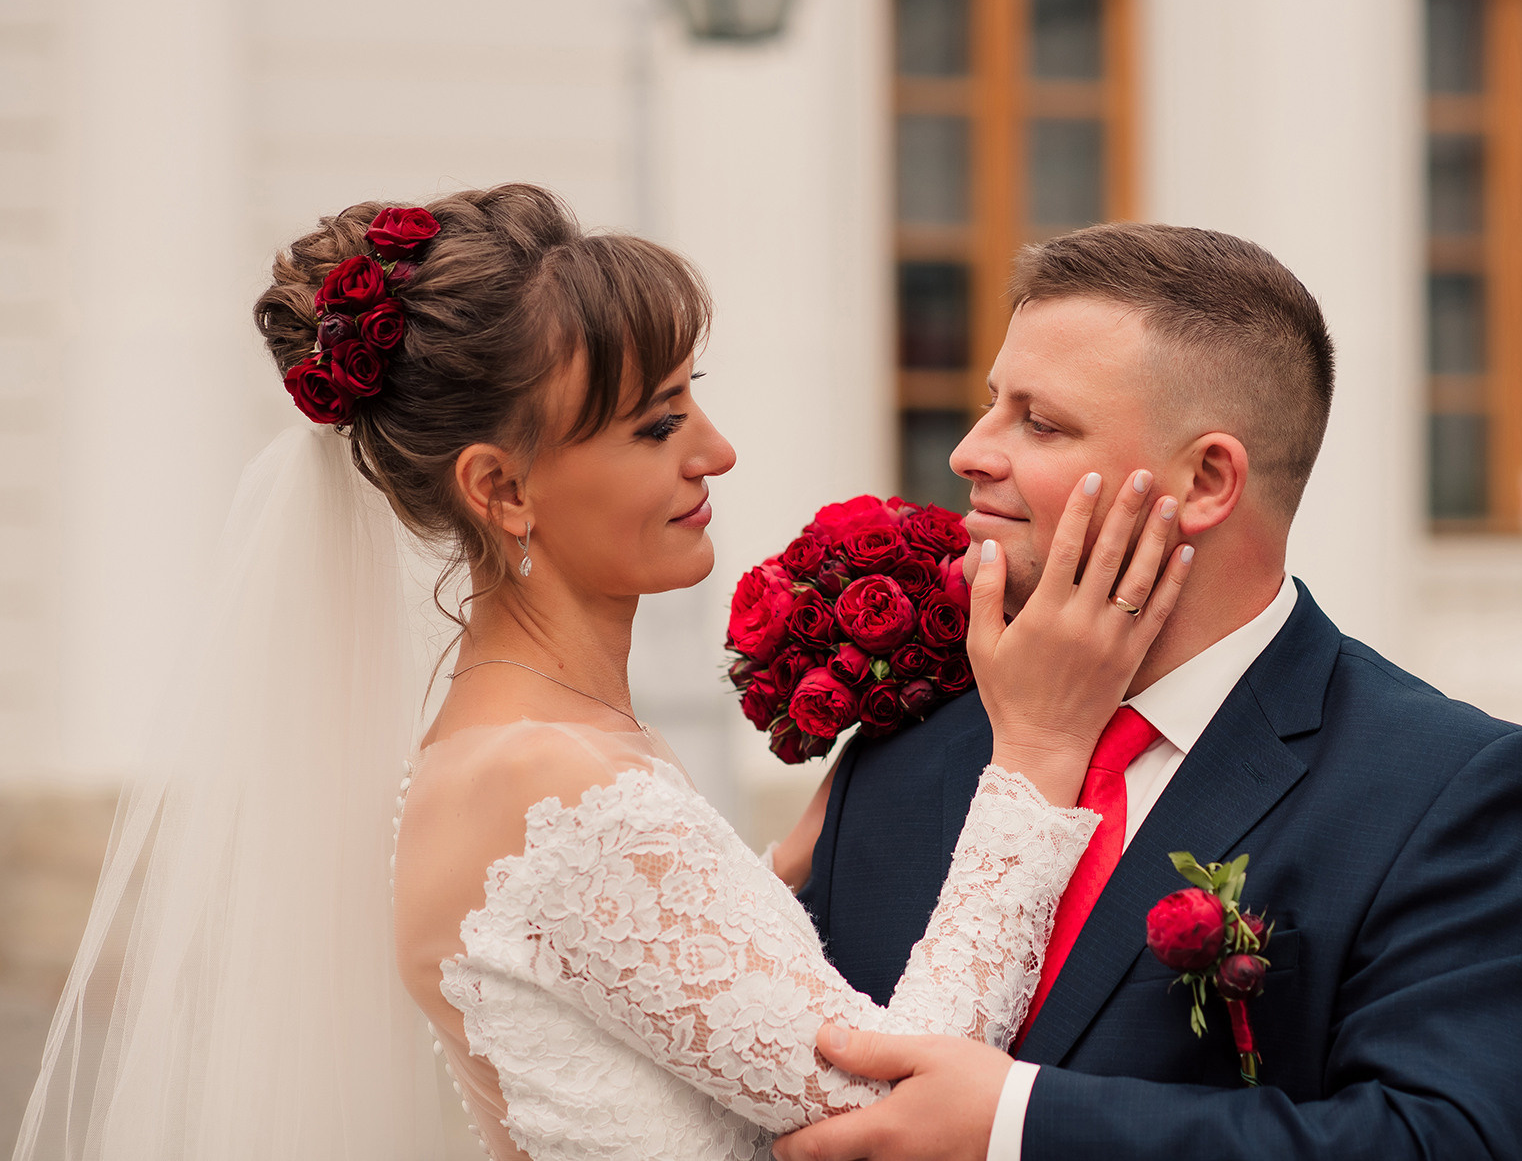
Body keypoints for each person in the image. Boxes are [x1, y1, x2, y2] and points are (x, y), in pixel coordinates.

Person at [12, 184, 1192, 1161]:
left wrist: (787, 863)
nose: (715, 452)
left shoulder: (522, 750)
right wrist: (1036, 754)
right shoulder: (551, 781)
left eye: (694, 402)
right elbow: (897, 1118)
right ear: (501, 488)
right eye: (655, 424)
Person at [782, 223, 1522, 1161]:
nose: (970, 452)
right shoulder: (902, 752)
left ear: (1206, 480)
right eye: (990, 404)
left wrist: (1019, 1123)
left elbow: (1452, 1140)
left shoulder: (1450, 790)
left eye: (1040, 422)